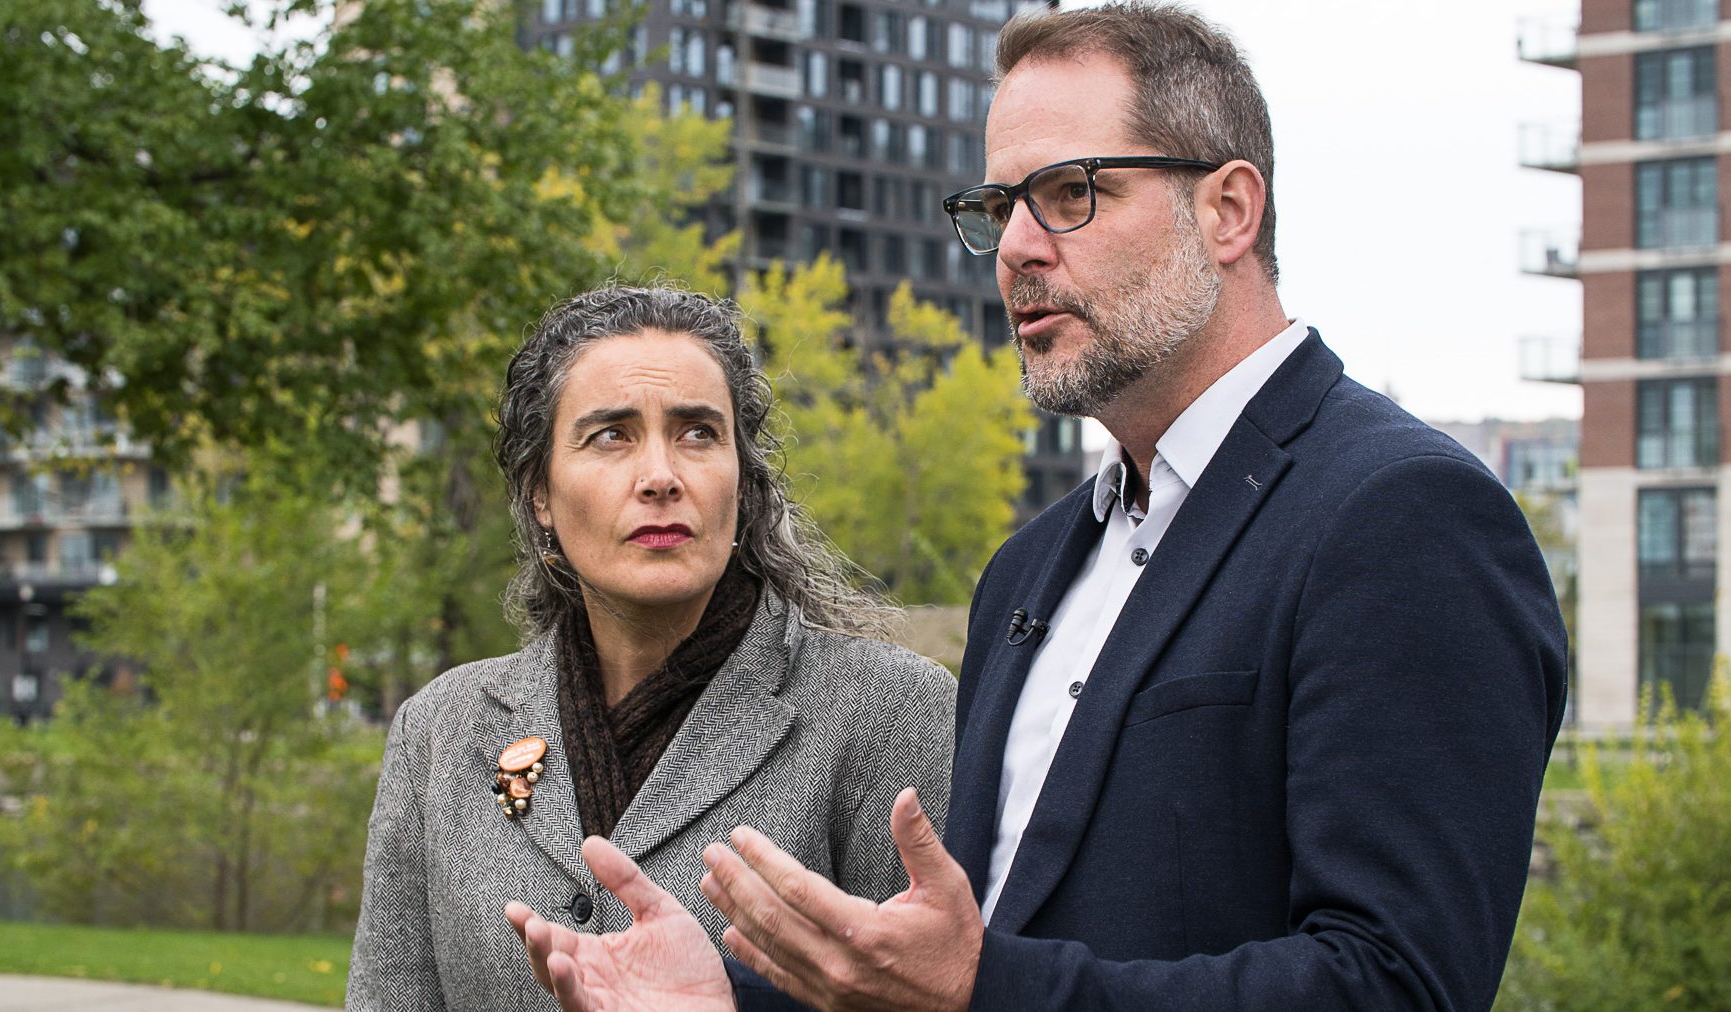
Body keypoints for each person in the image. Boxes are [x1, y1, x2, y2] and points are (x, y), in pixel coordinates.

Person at [507, 4, 1569, 1011]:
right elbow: (967, 953)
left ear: (1229, 209)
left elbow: (1395, 984)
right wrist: (734, 996)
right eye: (997, 204)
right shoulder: (1030, 569)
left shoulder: (1402, 516)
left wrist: (986, 986)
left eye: (1069, 192)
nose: (1016, 246)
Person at [345, 285, 957, 1010]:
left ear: (744, 480)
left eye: (699, 433)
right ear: (540, 492)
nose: (662, 477)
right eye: (612, 435)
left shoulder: (887, 712)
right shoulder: (439, 732)